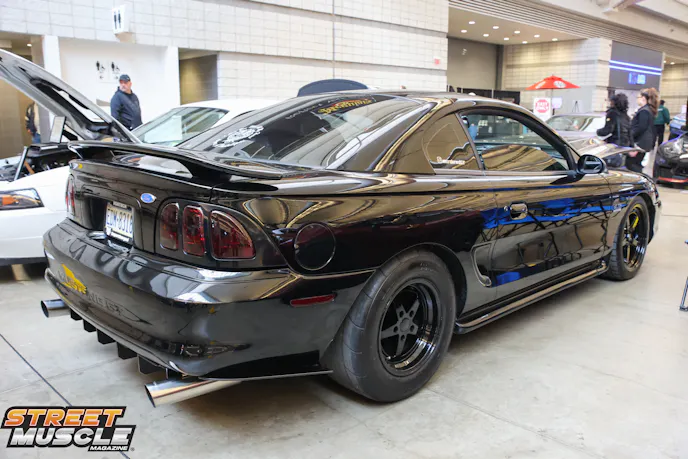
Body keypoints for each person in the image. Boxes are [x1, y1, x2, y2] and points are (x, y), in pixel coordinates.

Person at [629, 88, 659, 173]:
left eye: (638, 97)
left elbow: (641, 127)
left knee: (633, 165)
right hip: (644, 143)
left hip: (640, 143)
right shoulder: (647, 109)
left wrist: (630, 135)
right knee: (635, 164)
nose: (637, 99)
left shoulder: (644, 111)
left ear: (643, 98)